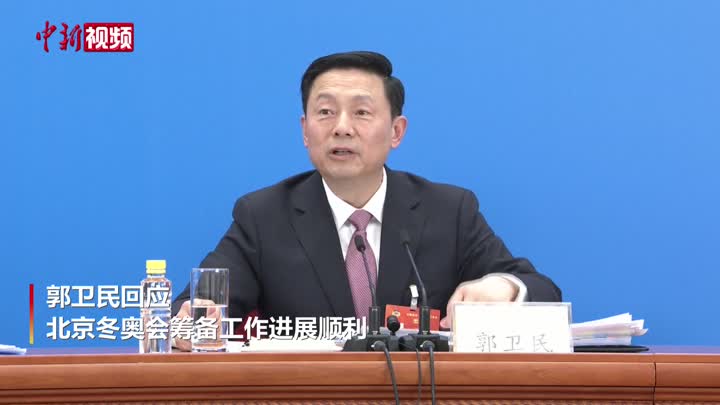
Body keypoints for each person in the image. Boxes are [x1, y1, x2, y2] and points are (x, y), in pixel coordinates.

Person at [172, 51, 561, 350]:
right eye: (325, 112)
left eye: (361, 112)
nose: (342, 127)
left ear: (396, 131)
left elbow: (542, 291)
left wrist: (505, 288)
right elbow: (195, 306)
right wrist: (194, 321)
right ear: (305, 131)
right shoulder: (263, 217)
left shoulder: (449, 211)